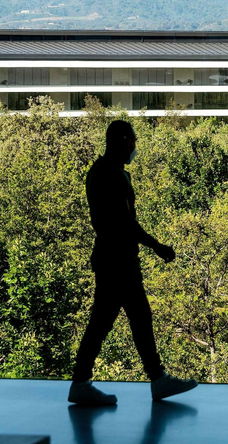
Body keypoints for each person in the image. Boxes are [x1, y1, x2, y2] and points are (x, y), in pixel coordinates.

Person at [69, 120, 197, 406]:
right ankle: (151, 380)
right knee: (126, 320)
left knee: (122, 320)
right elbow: (126, 223)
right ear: (124, 140)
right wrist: (158, 246)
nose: (134, 147)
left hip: (109, 259)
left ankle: (88, 381)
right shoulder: (114, 175)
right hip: (119, 262)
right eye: (133, 141)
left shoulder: (97, 172)